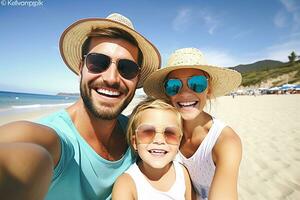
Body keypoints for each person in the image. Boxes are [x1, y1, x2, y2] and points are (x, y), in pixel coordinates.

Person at [0, 13, 161, 200]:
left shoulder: (134, 133)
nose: (111, 78)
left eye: (127, 68)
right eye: (98, 63)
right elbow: (23, 151)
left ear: (137, 78)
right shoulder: (57, 138)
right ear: (81, 67)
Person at [143, 48, 242, 200]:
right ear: (167, 93)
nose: (185, 93)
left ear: (209, 89)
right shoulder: (161, 131)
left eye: (197, 83)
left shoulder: (225, 142)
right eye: (173, 85)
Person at [112, 98, 194, 200]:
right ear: (135, 142)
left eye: (170, 133)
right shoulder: (126, 184)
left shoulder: (182, 173)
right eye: (147, 132)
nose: (159, 140)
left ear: (179, 140)